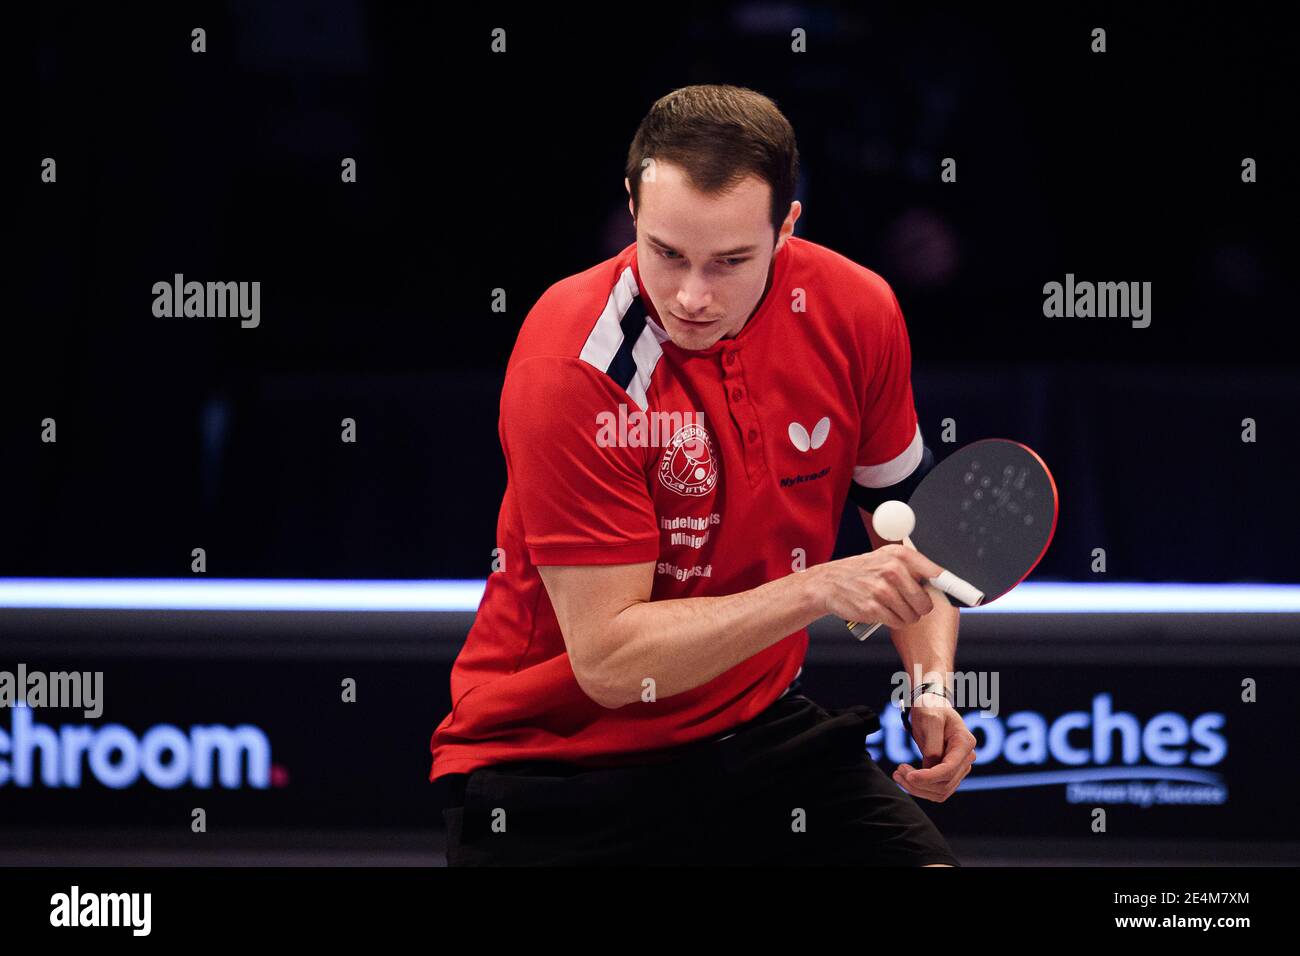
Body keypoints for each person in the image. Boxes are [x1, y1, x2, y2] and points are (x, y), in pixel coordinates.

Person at [430, 84, 975, 866]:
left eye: (730, 261)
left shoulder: (857, 312)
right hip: (556, 770)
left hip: (754, 737)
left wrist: (932, 687)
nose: (690, 295)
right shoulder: (574, 361)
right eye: (667, 253)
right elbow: (612, 662)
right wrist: (819, 588)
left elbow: (909, 536)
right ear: (631, 208)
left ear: (787, 225)